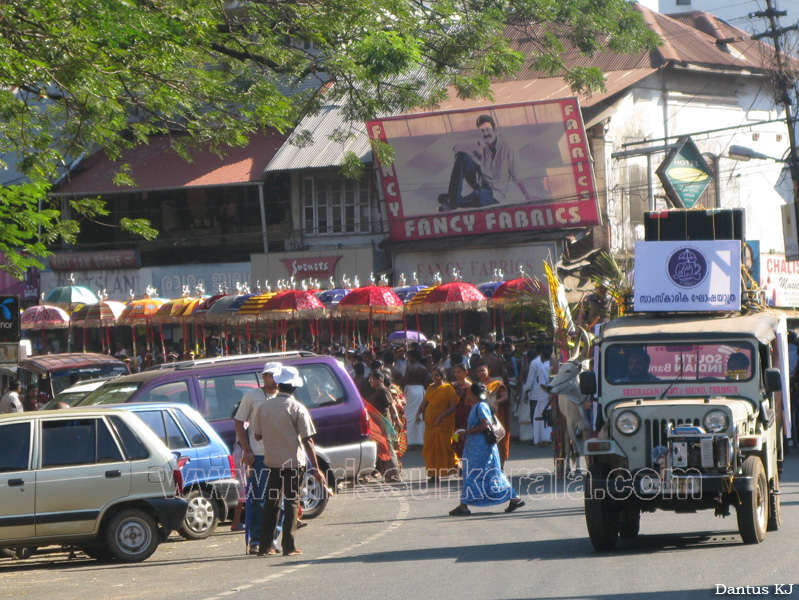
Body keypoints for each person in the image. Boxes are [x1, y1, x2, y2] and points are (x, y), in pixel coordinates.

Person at [252, 365, 325, 557]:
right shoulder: (297, 408)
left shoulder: (264, 406)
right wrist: (316, 468)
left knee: (271, 503)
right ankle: (289, 546)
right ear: (294, 388)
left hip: (272, 463)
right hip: (293, 464)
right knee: (292, 502)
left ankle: (265, 546)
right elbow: (307, 439)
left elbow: (257, 435)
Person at [448, 382, 525, 516]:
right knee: (485, 474)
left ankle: (464, 506)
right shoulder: (479, 406)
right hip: (477, 447)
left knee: (475, 474)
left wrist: (466, 432)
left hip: (481, 448)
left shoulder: (481, 406)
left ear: (472, 394)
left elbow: (485, 426)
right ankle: (514, 498)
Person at [438, 114, 534, 212]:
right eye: (482, 131)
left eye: (488, 129)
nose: (486, 133)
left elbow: (516, 175)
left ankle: (452, 201)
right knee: (462, 157)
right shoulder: (481, 144)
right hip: (481, 183)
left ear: (494, 129)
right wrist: (475, 143)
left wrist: (527, 195)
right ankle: (453, 198)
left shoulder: (508, 147)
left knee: (479, 196)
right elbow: (456, 148)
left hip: (495, 192)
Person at [233, 362, 281, 555]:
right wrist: (247, 449)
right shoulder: (252, 397)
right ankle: (256, 540)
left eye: (278, 377)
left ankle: (273, 539)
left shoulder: (285, 396)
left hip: (281, 456)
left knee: (280, 501)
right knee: (258, 499)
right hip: (258, 456)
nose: (275, 380)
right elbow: (239, 423)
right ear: (264, 377)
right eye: (272, 376)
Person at [416, 366, 459, 482]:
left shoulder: (448, 389)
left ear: (442, 376)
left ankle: (456, 467)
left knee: (445, 448)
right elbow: (425, 402)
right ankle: (433, 475)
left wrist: (441, 416)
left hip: (444, 424)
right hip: (430, 424)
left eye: (437, 375)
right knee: (430, 449)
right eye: (433, 375)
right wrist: (418, 413)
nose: (434, 377)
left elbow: (452, 406)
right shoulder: (430, 387)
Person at [366, 370, 402, 482]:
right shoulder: (377, 391)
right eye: (370, 380)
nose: (370, 382)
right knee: (382, 448)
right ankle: (387, 474)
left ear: (380, 380)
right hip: (378, 423)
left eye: (372, 379)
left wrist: (397, 419)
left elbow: (392, 406)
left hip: (384, 422)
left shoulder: (384, 391)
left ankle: (394, 474)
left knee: (388, 448)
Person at [476, 364, 511, 469]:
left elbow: (505, 397)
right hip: (484, 418)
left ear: (488, 371)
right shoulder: (478, 386)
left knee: (499, 439)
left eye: (483, 370)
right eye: (479, 371)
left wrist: (495, 402)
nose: (481, 373)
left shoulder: (497, 384)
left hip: (497, 416)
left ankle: (500, 466)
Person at [401, 349, 431, 449]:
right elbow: (426, 381)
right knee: (420, 415)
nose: (408, 358)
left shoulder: (410, 368)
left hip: (410, 391)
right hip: (420, 390)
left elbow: (405, 380)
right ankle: (419, 441)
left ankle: (409, 442)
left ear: (413, 357)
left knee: (408, 416)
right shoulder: (424, 368)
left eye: (409, 356)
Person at [525, 345, 553, 446]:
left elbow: (533, 380)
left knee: (538, 417)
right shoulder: (553, 365)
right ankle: (547, 437)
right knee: (548, 416)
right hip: (548, 395)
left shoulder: (536, 364)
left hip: (538, 394)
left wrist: (526, 391)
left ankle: (540, 438)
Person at [450, 363, 473, 461]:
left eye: (459, 372)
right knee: (455, 438)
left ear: (466, 372)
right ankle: (458, 460)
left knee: (464, 436)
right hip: (454, 415)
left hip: (465, 415)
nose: (457, 374)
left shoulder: (469, 386)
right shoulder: (452, 385)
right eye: (456, 372)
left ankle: (466, 460)